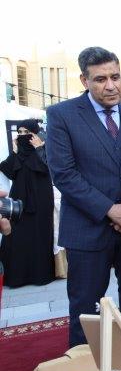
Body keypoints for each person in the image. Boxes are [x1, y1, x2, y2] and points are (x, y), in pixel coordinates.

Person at [47, 47, 121, 347]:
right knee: (86, 312)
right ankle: (83, 369)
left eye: (115, 77)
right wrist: (110, 210)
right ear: (84, 81)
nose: (111, 85)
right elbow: (64, 174)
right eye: (100, 79)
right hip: (87, 231)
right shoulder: (61, 116)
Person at [0, 119, 54, 287]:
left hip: (41, 199)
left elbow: (49, 168)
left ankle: (40, 275)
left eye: (27, 132)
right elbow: (8, 171)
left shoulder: (45, 149)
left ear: (35, 133)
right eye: (20, 132)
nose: (23, 135)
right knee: (17, 236)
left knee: (39, 234)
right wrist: (15, 151)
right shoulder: (19, 153)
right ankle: (17, 277)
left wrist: (39, 149)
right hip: (19, 201)